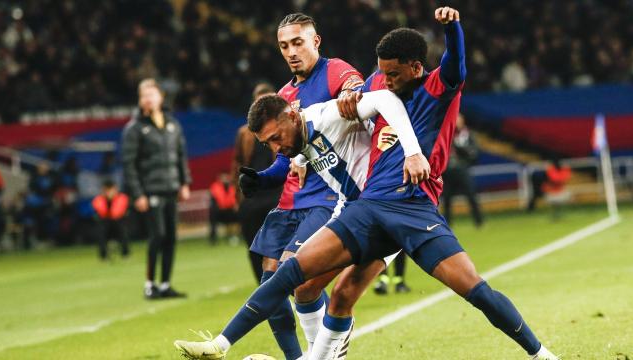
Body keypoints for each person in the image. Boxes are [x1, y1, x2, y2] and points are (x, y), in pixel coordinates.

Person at [174, 7, 559, 360]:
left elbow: (453, 62)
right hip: (368, 204)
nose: (386, 81)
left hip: (414, 205)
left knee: (474, 289)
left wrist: (452, 28)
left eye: (393, 74)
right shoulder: (364, 88)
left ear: (415, 67)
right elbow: (366, 96)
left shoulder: (438, 86)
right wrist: (354, 99)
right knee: (306, 281)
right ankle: (222, 344)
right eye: (381, 73)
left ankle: (542, 355)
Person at [234, 13, 366, 360]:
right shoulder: (284, 95)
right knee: (271, 288)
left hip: (327, 196)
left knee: (296, 280)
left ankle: (327, 344)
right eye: (284, 46)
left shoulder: (335, 70)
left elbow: (356, 90)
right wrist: (260, 179)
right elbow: (285, 159)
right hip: (291, 200)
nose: (291, 51)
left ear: (315, 42)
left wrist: (354, 93)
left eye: (297, 42)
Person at [122, 78, 192, 299]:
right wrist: (138, 193)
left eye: (151, 94)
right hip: (150, 190)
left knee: (171, 236)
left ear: (160, 97)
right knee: (157, 235)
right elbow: (129, 164)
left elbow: (180, 156)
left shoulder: (172, 125)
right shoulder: (135, 128)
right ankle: (150, 284)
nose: (148, 99)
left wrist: (184, 182)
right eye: (144, 96)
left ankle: (165, 284)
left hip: (171, 187)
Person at [232, 82, 282, 282]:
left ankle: (282, 282)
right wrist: (239, 195)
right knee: (253, 246)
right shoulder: (244, 133)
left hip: (277, 195)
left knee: (281, 244)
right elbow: (237, 163)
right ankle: (262, 285)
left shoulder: (284, 129)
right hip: (252, 199)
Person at [442, 113, 484, 227]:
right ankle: (447, 224)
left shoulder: (468, 134)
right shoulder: (446, 134)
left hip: (462, 169)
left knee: (471, 195)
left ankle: (479, 221)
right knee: (446, 199)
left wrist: (460, 149)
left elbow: (474, 153)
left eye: (458, 119)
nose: (456, 122)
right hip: (448, 171)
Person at [92, 179, 129, 259]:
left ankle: (125, 253)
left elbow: (116, 213)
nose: (109, 192)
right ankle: (103, 255)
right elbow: (102, 212)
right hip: (105, 222)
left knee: (123, 229)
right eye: (106, 190)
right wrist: (106, 199)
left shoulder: (122, 197)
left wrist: (113, 199)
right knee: (101, 230)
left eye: (111, 189)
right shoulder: (98, 199)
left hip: (118, 221)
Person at [208, 172, 239, 244]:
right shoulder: (215, 187)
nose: (225, 179)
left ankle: (238, 236)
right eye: (223, 177)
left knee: (242, 212)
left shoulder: (232, 187)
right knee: (213, 212)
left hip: (230, 211)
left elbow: (234, 200)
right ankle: (213, 240)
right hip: (219, 212)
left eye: (226, 177)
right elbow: (217, 200)